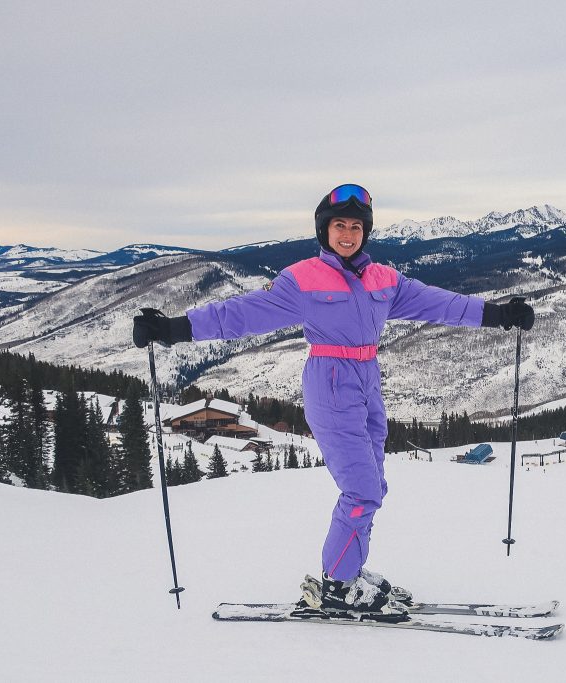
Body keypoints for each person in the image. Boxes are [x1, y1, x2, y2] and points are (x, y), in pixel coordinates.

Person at [133, 183, 534, 619]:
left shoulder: (384, 279)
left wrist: (498, 314)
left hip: (367, 382)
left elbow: (439, 303)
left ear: (366, 232)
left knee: (373, 487)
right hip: (329, 382)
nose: (348, 234)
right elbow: (241, 314)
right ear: (325, 231)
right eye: (339, 225)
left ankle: (350, 571)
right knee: (361, 491)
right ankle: (338, 585)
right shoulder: (303, 279)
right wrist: (173, 329)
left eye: (356, 226)